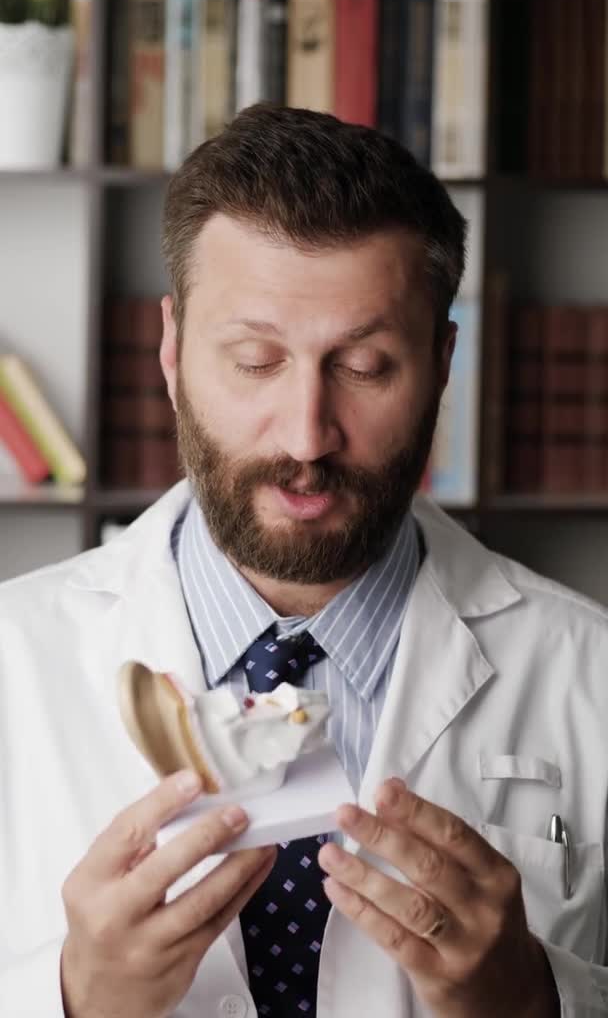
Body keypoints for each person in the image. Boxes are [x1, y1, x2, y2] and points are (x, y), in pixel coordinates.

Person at [0, 103, 605, 1018]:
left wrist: (535, 1002)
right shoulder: (12, 656)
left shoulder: (592, 675)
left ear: (443, 363)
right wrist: (70, 997)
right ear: (169, 351)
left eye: (364, 366)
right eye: (254, 361)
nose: (306, 436)